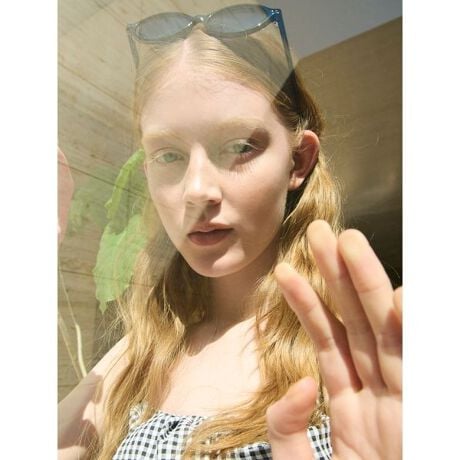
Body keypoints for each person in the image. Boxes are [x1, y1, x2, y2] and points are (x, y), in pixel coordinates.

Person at [58, 4, 402, 459]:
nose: (197, 190)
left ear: (298, 161)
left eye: (240, 146)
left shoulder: (365, 352)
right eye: (168, 155)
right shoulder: (148, 346)